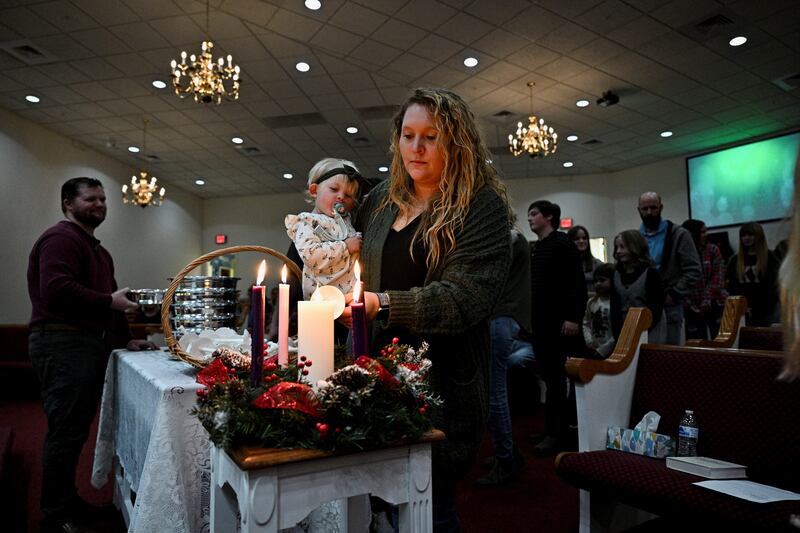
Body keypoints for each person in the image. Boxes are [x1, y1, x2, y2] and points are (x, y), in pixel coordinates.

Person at [346, 87, 512, 532]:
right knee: (373, 509)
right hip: (373, 377)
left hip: (439, 389)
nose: (415, 148)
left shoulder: (482, 208)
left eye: (431, 137)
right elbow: (353, 266)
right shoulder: (382, 199)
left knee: (429, 511)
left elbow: (463, 299)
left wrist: (383, 304)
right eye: (408, 135)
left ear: (457, 142)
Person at [27, 177, 156, 533]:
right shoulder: (60, 239)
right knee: (65, 432)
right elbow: (55, 291)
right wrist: (108, 301)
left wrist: (127, 339)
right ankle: (54, 514)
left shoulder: (98, 250)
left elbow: (110, 306)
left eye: (102, 199)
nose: (99, 204)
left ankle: (68, 501)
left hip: (85, 345)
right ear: (68, 203)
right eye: (90, 199)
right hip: (62, 344)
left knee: (75, 431)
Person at [527, 200, 587, 455]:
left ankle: (557, 434)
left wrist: (573, 317)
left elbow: (576, 284)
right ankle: (552, 429)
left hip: (561, 326)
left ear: (548, 216)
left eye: (534, 214)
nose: (529, 218)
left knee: (557, 381)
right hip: (543, 325)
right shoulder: (539, 247)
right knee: (551, 380)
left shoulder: (563, 244)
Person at [476, 226, 532, 486]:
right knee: (492, 392)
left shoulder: (507, 237)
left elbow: (488, 274)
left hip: (499, 316)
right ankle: (508, 451)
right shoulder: (513, 236)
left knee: (494, 393)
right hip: (502, 316)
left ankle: (506, 459)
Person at [285, 157, 363, 301]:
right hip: (321, 299)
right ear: (314, 190)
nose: (341, 197)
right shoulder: (307, 222)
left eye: (349, 195)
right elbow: (311, 255)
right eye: (334, 189)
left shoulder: (346, 221)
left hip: (349, 298)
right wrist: (346, 247)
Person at [637, 192, 701, 344]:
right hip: (643, 305)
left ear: (661, 208)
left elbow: (694, 270)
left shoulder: (679, 234)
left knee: (669, 355)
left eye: (653, 207)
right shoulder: (637, 237)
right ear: (638, 210)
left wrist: (674, 293)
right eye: (644, 208)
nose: (649, 212)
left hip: (669, 305)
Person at [610, 230, 666, 344]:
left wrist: (640, 330)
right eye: (617, 247)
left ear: (635, 247)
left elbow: (656, 308)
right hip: (624, 330)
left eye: (623, 247)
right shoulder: (616, 274)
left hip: (648, 330)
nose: (619, 251)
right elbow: (614, 308)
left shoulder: (650, 273)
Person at [680, 219, 728, 340]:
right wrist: (693, 307)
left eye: (706, 231)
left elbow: (718, 277)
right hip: (691, 306)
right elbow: (681, 280)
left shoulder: (713, 250)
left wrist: (706, 301)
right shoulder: (682, 253)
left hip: (714, 302)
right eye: (702, 232)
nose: (705, 234)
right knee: (696, 342)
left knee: (720, 340)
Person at [726, 221, 780, 327]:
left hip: (767, 309)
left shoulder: (770, 257)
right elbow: (733, 287)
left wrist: (762, 306)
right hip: (744, 311)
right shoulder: (735, 260)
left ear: (758, 236)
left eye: (750, 235)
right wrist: (744, 306)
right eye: (743, 235)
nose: (746, 238)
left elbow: (774, 285)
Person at [582, 263, 616, 359]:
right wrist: (589, 341)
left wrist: (603, 349)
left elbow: (618, 331)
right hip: (593, 348)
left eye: (602, 280)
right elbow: (585, 323)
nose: (598, 284)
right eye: (595, 281)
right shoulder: (592, 302)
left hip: (612, 350)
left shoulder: (615, 304)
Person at [568, 225, 604, 295]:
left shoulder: (598, 265)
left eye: (584, 238)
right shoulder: (563, 265)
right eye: (577, 239)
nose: (581, 241)